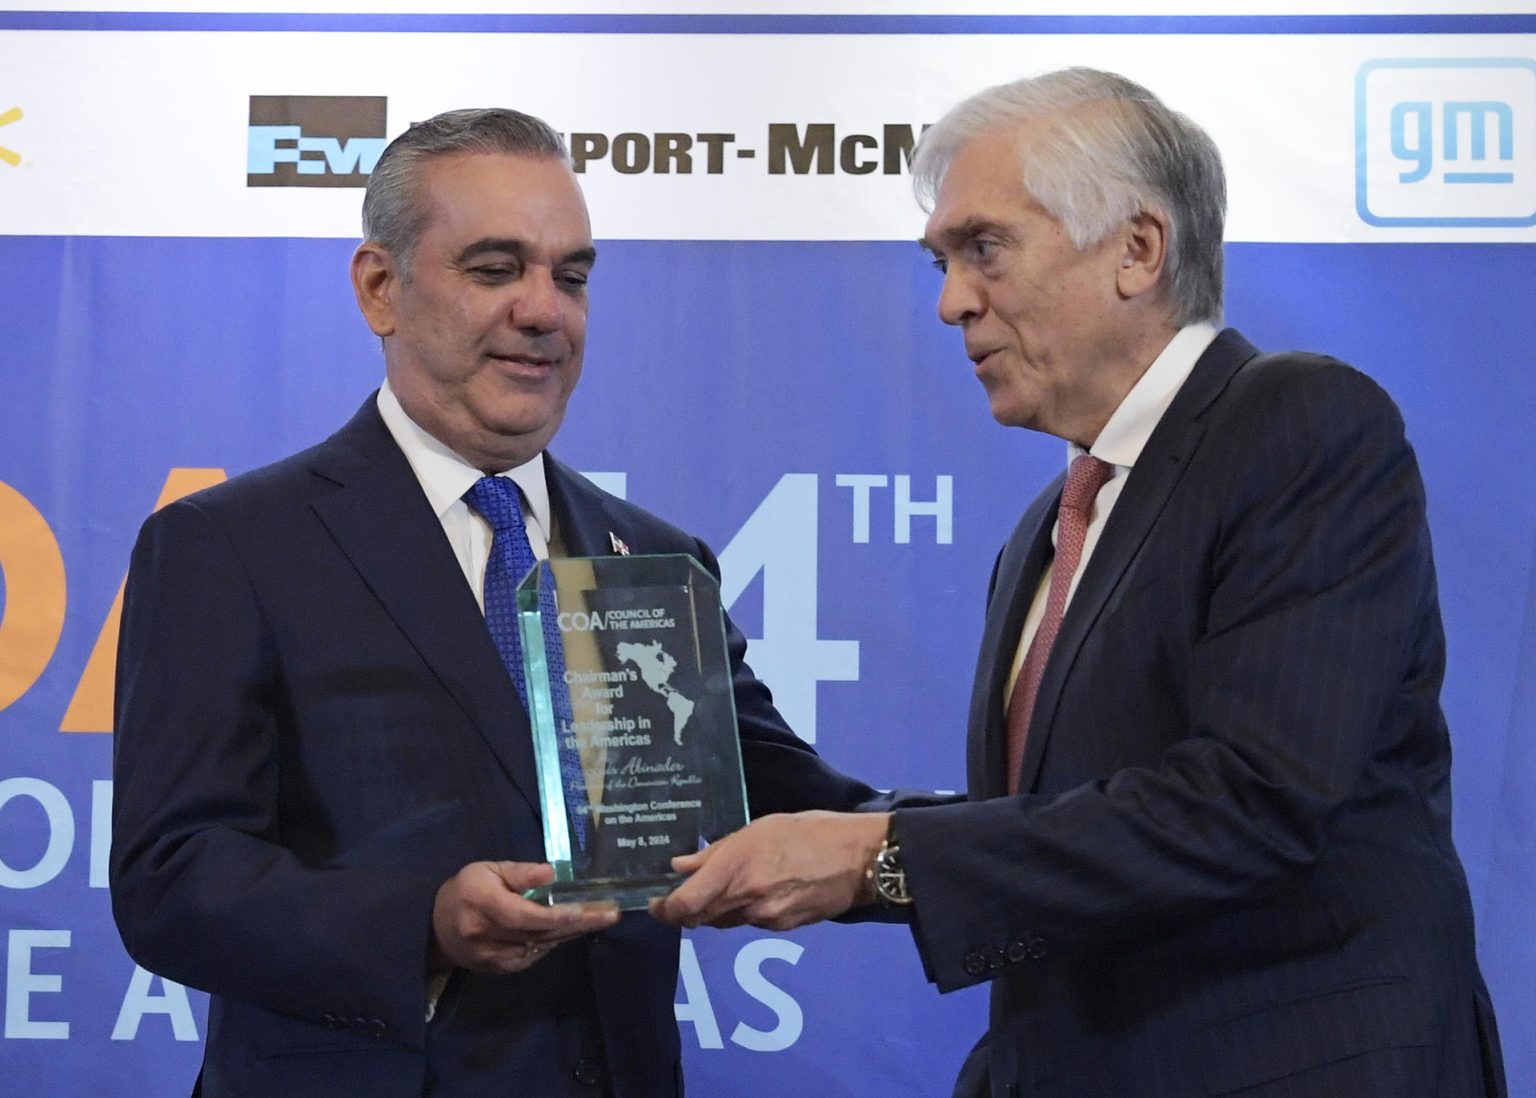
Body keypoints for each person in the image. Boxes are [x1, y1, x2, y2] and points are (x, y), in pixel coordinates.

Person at [653, 68, 1507, 1097]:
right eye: (941, 260)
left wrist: (878, 854)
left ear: (1137, 250)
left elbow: (1253, 801)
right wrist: (715, 740)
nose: (949, 301)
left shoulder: (1299, 424)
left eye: (984, 249)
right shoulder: (1046, 533)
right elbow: (1065, 828)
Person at [109, 108, 875, 1098]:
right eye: (495, 268)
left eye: (572, 275)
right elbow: (173, 878)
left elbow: (780, 794)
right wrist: (425, 922)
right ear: (379, 287)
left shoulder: (652, 555)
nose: (544, 309)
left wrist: (971, 845)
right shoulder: (231, 546)